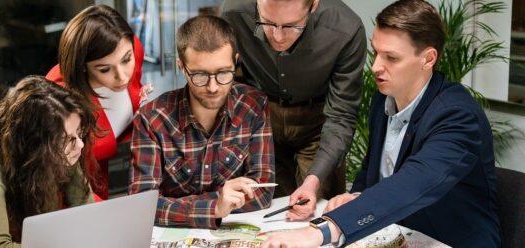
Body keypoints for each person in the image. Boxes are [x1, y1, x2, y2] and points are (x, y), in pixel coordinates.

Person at [262, 0, 501, 247]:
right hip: (396, 234)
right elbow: (373, 172)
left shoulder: (458, 115)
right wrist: (356, 196)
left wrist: (323, 231)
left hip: (446, 239)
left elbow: (412, 183)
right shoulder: (384, 99)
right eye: (376, 52)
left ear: (428, 59)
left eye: (391, 57)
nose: (375, 66)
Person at [220, 0, 366, 220]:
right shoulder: (234, 13)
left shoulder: (346, 29)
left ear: (313, 5)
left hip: (319, 124)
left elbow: (341, 115)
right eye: (267, 23)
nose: (277, 37)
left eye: (291, 26)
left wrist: (313, 180)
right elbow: (233, 83)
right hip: (263, 120)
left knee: (316, 211)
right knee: (269, 213)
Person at [128, 16, 274, 229]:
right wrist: (215, 206)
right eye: (200, 75)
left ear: (236, 61)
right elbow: (142, 206)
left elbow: (262, 191)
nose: (213, 87)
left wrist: (182, 207)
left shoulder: (253, 106)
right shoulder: (151, 119)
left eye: (224, 73)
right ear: (181, 66)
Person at [0, 76, 97, 248]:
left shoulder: (62, 152)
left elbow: (88, 215)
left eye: (79, 132)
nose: (80, 144)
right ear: (35, 144)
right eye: (67, 139)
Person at [46, 4, 150, 200]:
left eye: (126, 60)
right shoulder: (59, 98)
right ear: (82, 67)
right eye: (104, 70)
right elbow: (60, 180)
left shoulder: (130, 48)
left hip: (110, 182)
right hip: (69, 193)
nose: (122, 77)